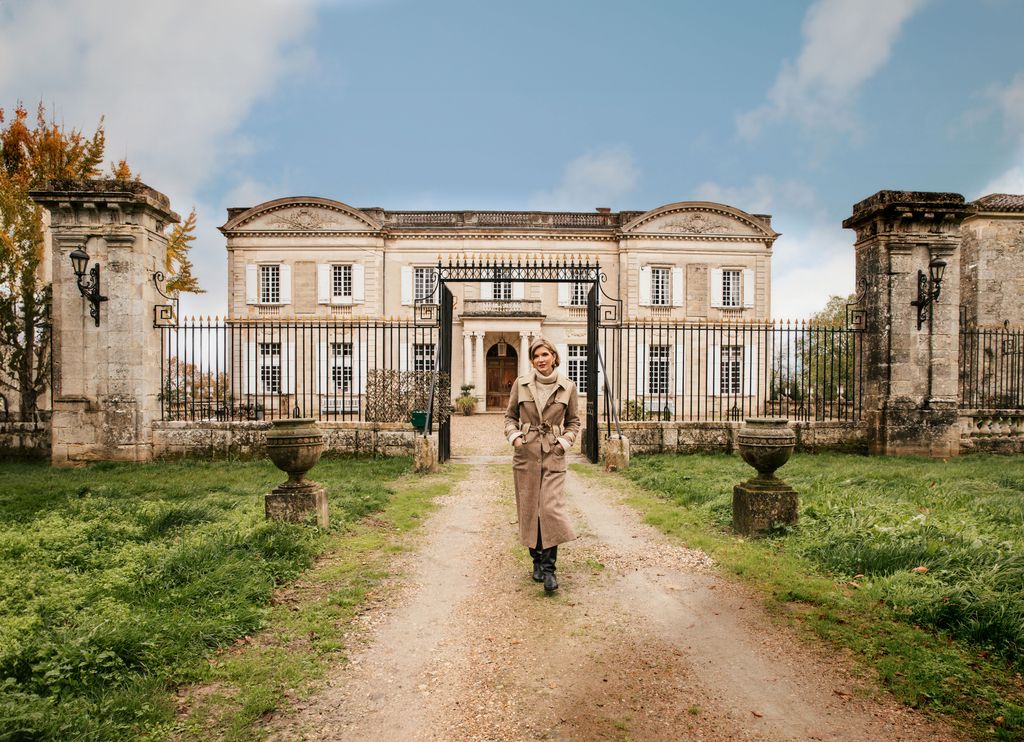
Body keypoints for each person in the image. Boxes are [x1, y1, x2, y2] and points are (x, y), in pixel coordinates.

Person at [504, 337, 581, 592]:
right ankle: (536, 561)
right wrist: (515, 437)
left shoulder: (568, 387)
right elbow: (510, 417)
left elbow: (574, 422)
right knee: (529, 508)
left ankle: (550, 571)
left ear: (554, 357)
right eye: (536, 356)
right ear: (532, 360)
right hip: (526, 454)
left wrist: (564, 442)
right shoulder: (521, 384)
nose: (541, 360)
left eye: (545, 355)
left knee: (549, 508)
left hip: (553, 454)